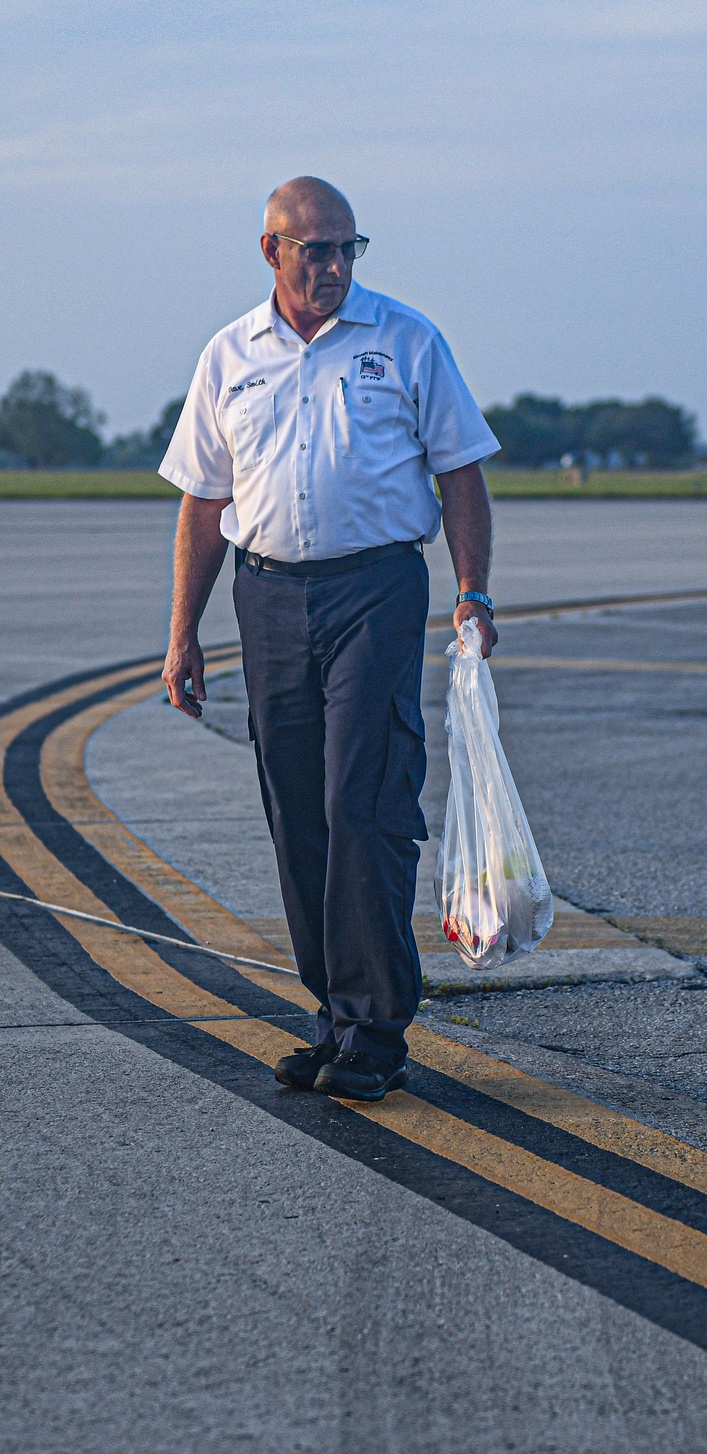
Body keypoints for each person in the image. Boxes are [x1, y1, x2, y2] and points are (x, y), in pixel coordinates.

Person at [160, 176, 500, 1102]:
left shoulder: (406, 340)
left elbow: (462, 471)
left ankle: (377, 1028)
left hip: (375, 593)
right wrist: (182, 634)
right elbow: (202, 501)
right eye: (317, 250)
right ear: (271, 251)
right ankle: (334, 1015)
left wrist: (471, 592)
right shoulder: (230, 355)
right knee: (298, 812)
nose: (336, 267)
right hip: (266, 601)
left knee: (366, 801)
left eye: (349, 248)